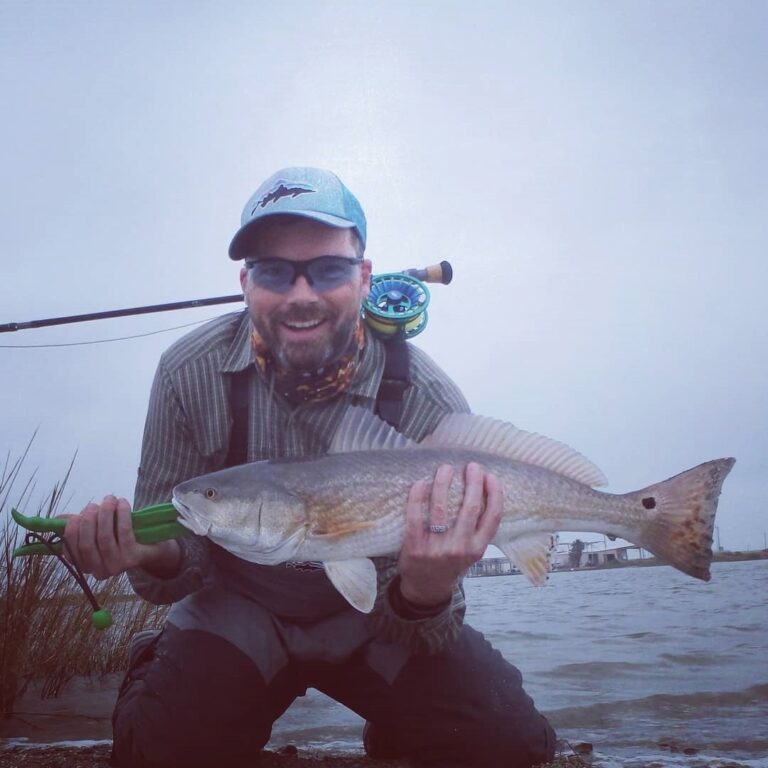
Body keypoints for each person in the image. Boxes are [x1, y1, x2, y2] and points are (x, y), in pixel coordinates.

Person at [63, 167, 556, 768]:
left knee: (511, 746)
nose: (301, 295)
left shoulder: (427, 397)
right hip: (239, 611)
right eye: (274, 270)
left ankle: (398, 728)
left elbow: (433, 624)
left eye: (327, 269)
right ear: (246, 282)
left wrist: (426, 591)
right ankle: (157, 667)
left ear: (364, 277)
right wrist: (146, 553)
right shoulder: (187, 372)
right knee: (154, 756)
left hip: (374, 618)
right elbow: (179, 570)